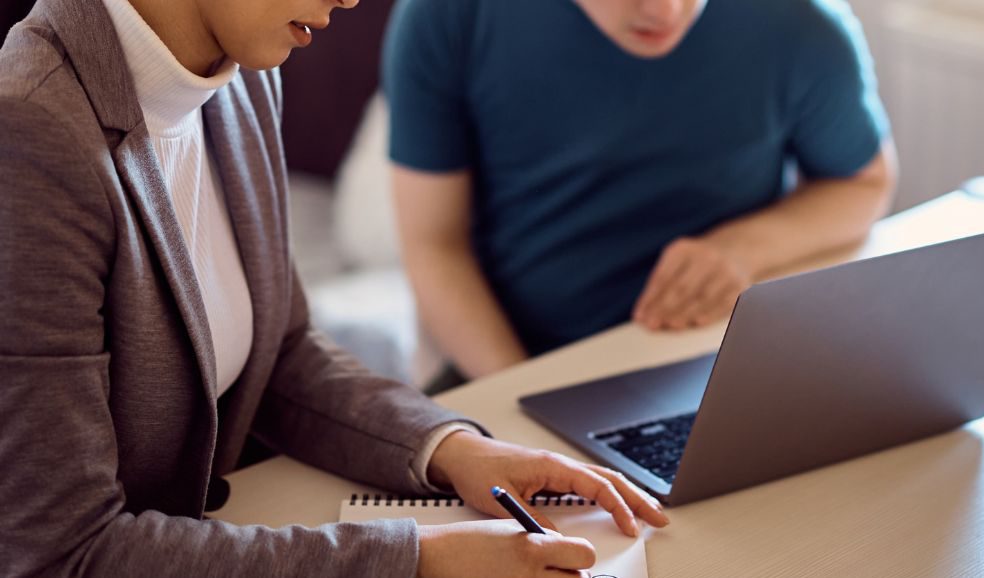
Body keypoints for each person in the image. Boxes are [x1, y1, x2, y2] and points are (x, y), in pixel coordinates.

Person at [0, 0, 669, 576]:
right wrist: (416, 561)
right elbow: (63, 552)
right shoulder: (30, 132)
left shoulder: (237, 79)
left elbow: (282, 355)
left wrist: (457, 451)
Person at [384, 0, 899, 392]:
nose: (665, 10)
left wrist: (744, 247)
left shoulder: (801, 22)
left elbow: (865, 182)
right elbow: (434, 244)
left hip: (718, 367)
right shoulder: (448, 15)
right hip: (510, 363)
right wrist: (523, 394)